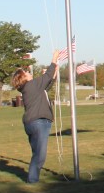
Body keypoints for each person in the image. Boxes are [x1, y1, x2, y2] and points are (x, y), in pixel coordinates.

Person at [11, 49, 64, 184]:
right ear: (23, 78)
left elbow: (48, 83)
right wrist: (54, 58)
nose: (29, 73)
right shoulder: (31, 85)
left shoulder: (30, 88)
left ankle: (32, 178)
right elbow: (47, 77)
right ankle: (33, 180)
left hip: (31, 123)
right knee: (40, 155)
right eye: (26, 73)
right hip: (38, 122)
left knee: (37, 153)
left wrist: (55, 71)